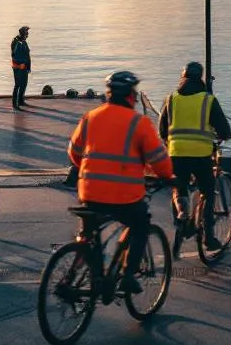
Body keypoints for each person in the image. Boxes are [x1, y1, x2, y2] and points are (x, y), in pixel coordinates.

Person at [68, 71, 174, 294]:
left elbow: (74, 153)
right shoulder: (139, 123)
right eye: (134, 94)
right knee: (140, 225)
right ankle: (127, 275)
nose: (136, 98)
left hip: (88, 192)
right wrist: (168, 177)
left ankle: (92, 279)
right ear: (128, 96)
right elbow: (158, 160)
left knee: (89, 234)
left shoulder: (90, 117)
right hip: (124, 196)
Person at [158, 61, 231, 256]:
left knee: (179, 188)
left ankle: (183, 218)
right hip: (201, 154)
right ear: (200, 78)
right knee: (208, 192)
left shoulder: (171, 99)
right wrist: (225, 135)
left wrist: (171, 142)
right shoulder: (208, 100)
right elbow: (223, 128)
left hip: (176, 153)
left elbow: (162, 130)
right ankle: (209, 237)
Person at [10, 25, 31, 110]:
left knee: (24, 84)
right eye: (26, 33)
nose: (28, 34)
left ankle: (21, 100)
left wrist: (29, 66)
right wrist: (20, 64)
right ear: (23, 33)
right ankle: (15, 103)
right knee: (18, 84)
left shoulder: (24, 42)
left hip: (25, 66)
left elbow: (27, 55)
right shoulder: (16, 42)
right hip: (18, 67)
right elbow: (14, 55)